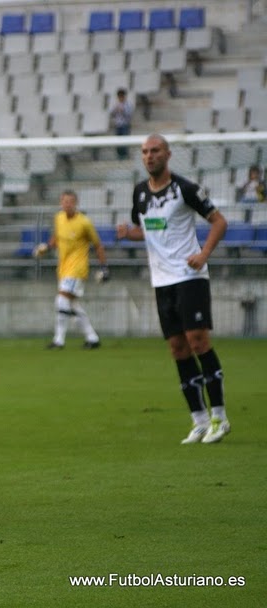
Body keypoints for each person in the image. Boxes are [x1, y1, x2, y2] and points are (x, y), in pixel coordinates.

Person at [116, 134, 230, 445]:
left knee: (197, 340)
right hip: (161, 280)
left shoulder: (185, 189)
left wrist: (203, 254)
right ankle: (199, 420)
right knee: (177, 348)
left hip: (189, 275)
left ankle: (219, 416)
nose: (149, 156)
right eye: (144, 152)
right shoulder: (139, 194)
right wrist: (129, 233)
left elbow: (219, 222)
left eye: (154, 151)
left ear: (167, 154)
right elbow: (151, 230)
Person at [33, 190, 108, 350]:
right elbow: (57, 238)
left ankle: (59, 340)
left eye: (70, 202)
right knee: (72, 304)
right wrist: (45, 247)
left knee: (61, 300)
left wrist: (104, 267)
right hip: (63, 268)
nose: (67, 205)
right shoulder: (59, 218)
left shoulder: (84, 222)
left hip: (78, 268)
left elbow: (98, 245)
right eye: (64, 202)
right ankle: (92, 337)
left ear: (76, 203)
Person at [110, 88, 134, 160]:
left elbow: (129, 115)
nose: (120, 98)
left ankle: (125, 156)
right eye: (119, 96)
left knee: (124, 141)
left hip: (125, 125)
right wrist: (115, 110)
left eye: (121, 96)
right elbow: (112, 114)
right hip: (118, 125)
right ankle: (119, 156)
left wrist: (123, 111)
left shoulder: (128, 104)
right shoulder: (116, 104)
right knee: (118, 142)